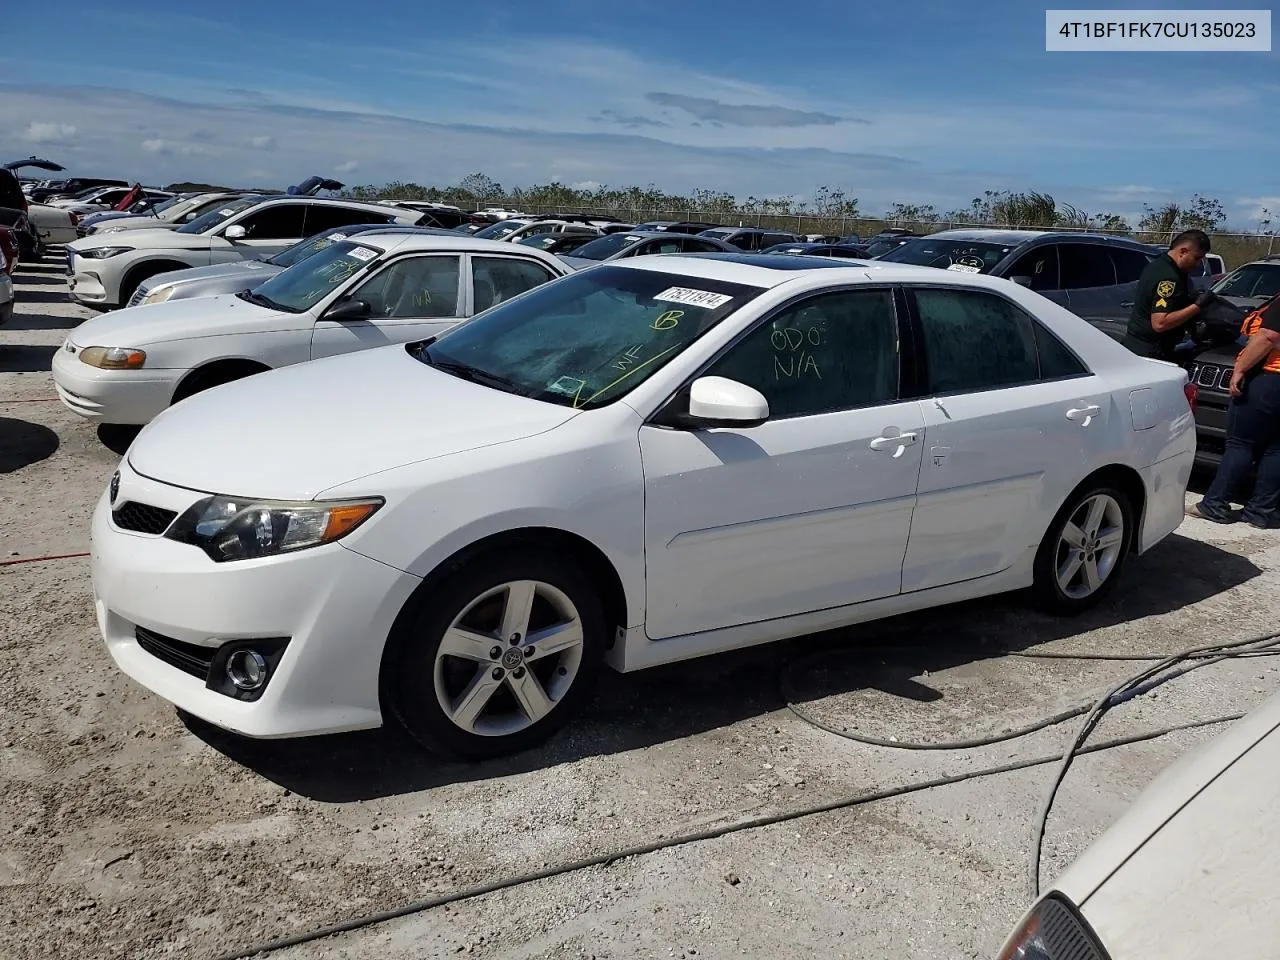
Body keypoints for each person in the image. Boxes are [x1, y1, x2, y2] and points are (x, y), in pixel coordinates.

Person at [1188, 292, 1280, 527]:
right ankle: (1261, 511)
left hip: (1268, 378)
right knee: (1275, 449)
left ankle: (1215, 504)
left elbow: (1268, 335)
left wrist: (1239, 369)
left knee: (1241, 443)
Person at [1122, 229, 1215, 362]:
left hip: (1136, 344)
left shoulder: (1158, 264)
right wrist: (1197, 306)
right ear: (1183, 251)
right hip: (1151, 352)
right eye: (1197, 258)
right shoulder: (1169, 278)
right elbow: (1160, 323)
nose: (1198, 264)